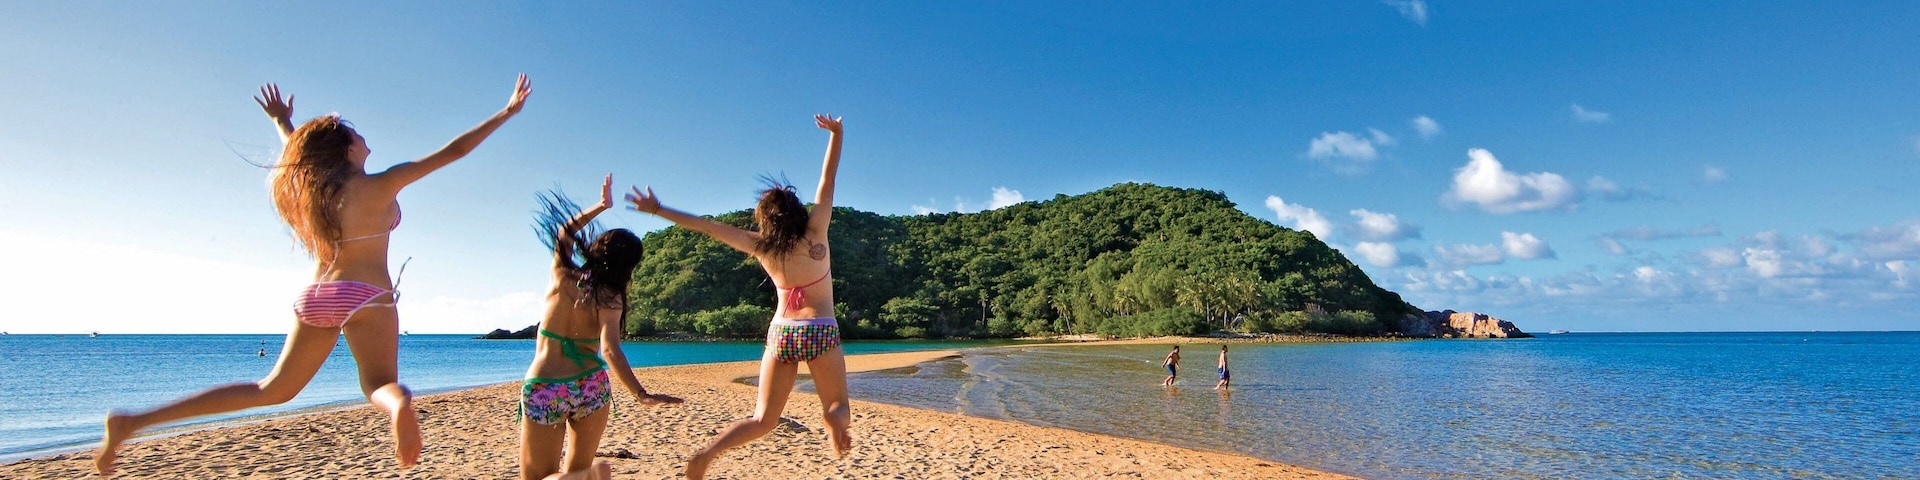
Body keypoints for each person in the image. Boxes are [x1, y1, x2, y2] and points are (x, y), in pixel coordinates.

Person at [95, 76, 533, 476]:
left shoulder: (316, 190)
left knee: (270, 389)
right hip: (368, 296)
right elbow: (453, 152)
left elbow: (298, 158)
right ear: (346, 150)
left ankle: (134, 421)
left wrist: (283, 123)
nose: (363, 137)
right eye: (356, 134)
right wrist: (506, 112)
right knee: (379, 384)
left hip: (317, 295)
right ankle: (399, 406)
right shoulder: (381, 185)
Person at [625, 114, 847, 480]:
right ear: (797, 213)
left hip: (782, 333)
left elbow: (708, 226)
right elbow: (828, 178)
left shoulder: (761, 247)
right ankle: (833, 421)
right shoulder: (817, 231)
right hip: (821, 327)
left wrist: (658, 209)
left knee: (763, 419)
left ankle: (709, 453)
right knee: (837, 403)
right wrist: (836, 135)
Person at [521, 175, 684, 480]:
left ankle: (587, 475)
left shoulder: (562, 276)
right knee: (577, 470)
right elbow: (610, 350)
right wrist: (640, 393)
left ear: (596, 249)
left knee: (536, 477)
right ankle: (586, 475)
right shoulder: (612, 298)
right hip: (591, 387)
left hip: (548, 385)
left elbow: (565, 232)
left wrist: (601, 205)